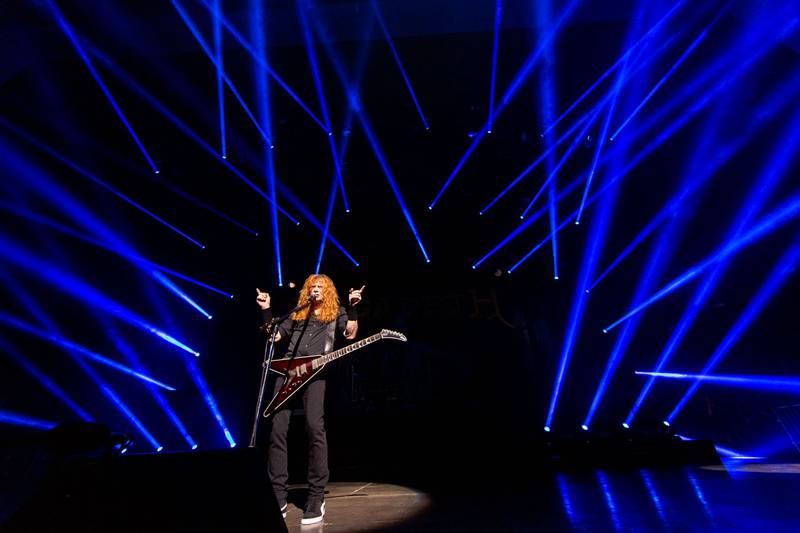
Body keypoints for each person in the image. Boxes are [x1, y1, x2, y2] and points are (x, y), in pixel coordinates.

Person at [255, 274, 364, 525]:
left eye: (320, 286)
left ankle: (316, 497)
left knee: (314, 428)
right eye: (312, 286)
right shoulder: (296, 313)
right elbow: (275, 337)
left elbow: (350, 334)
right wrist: (267, 310)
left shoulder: (335, 313)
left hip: (316, 375)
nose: (315, 289)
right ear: (306, 291)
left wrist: (353, 308)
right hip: (288, 373)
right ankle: (278, 494)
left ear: (327, 291)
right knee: (277, 431)